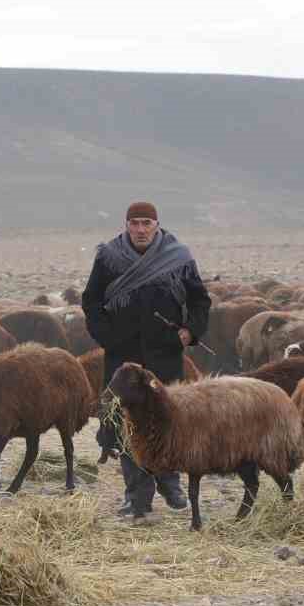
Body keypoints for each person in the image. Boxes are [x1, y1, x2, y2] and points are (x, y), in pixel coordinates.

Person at [82, 201, 211, 520]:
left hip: (164, 352)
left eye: (146, 223)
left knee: (169, 418)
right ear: (126, 225)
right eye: (135, 223)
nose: (140, 229)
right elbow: (91, 301)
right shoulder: (109, 257)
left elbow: (199, 299)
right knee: (126, 420)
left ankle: (170, 483)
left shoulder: (178, 257)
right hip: (122, 354)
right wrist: (107, 337)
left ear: (157, 225)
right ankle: (137, 496)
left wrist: (189, 333)